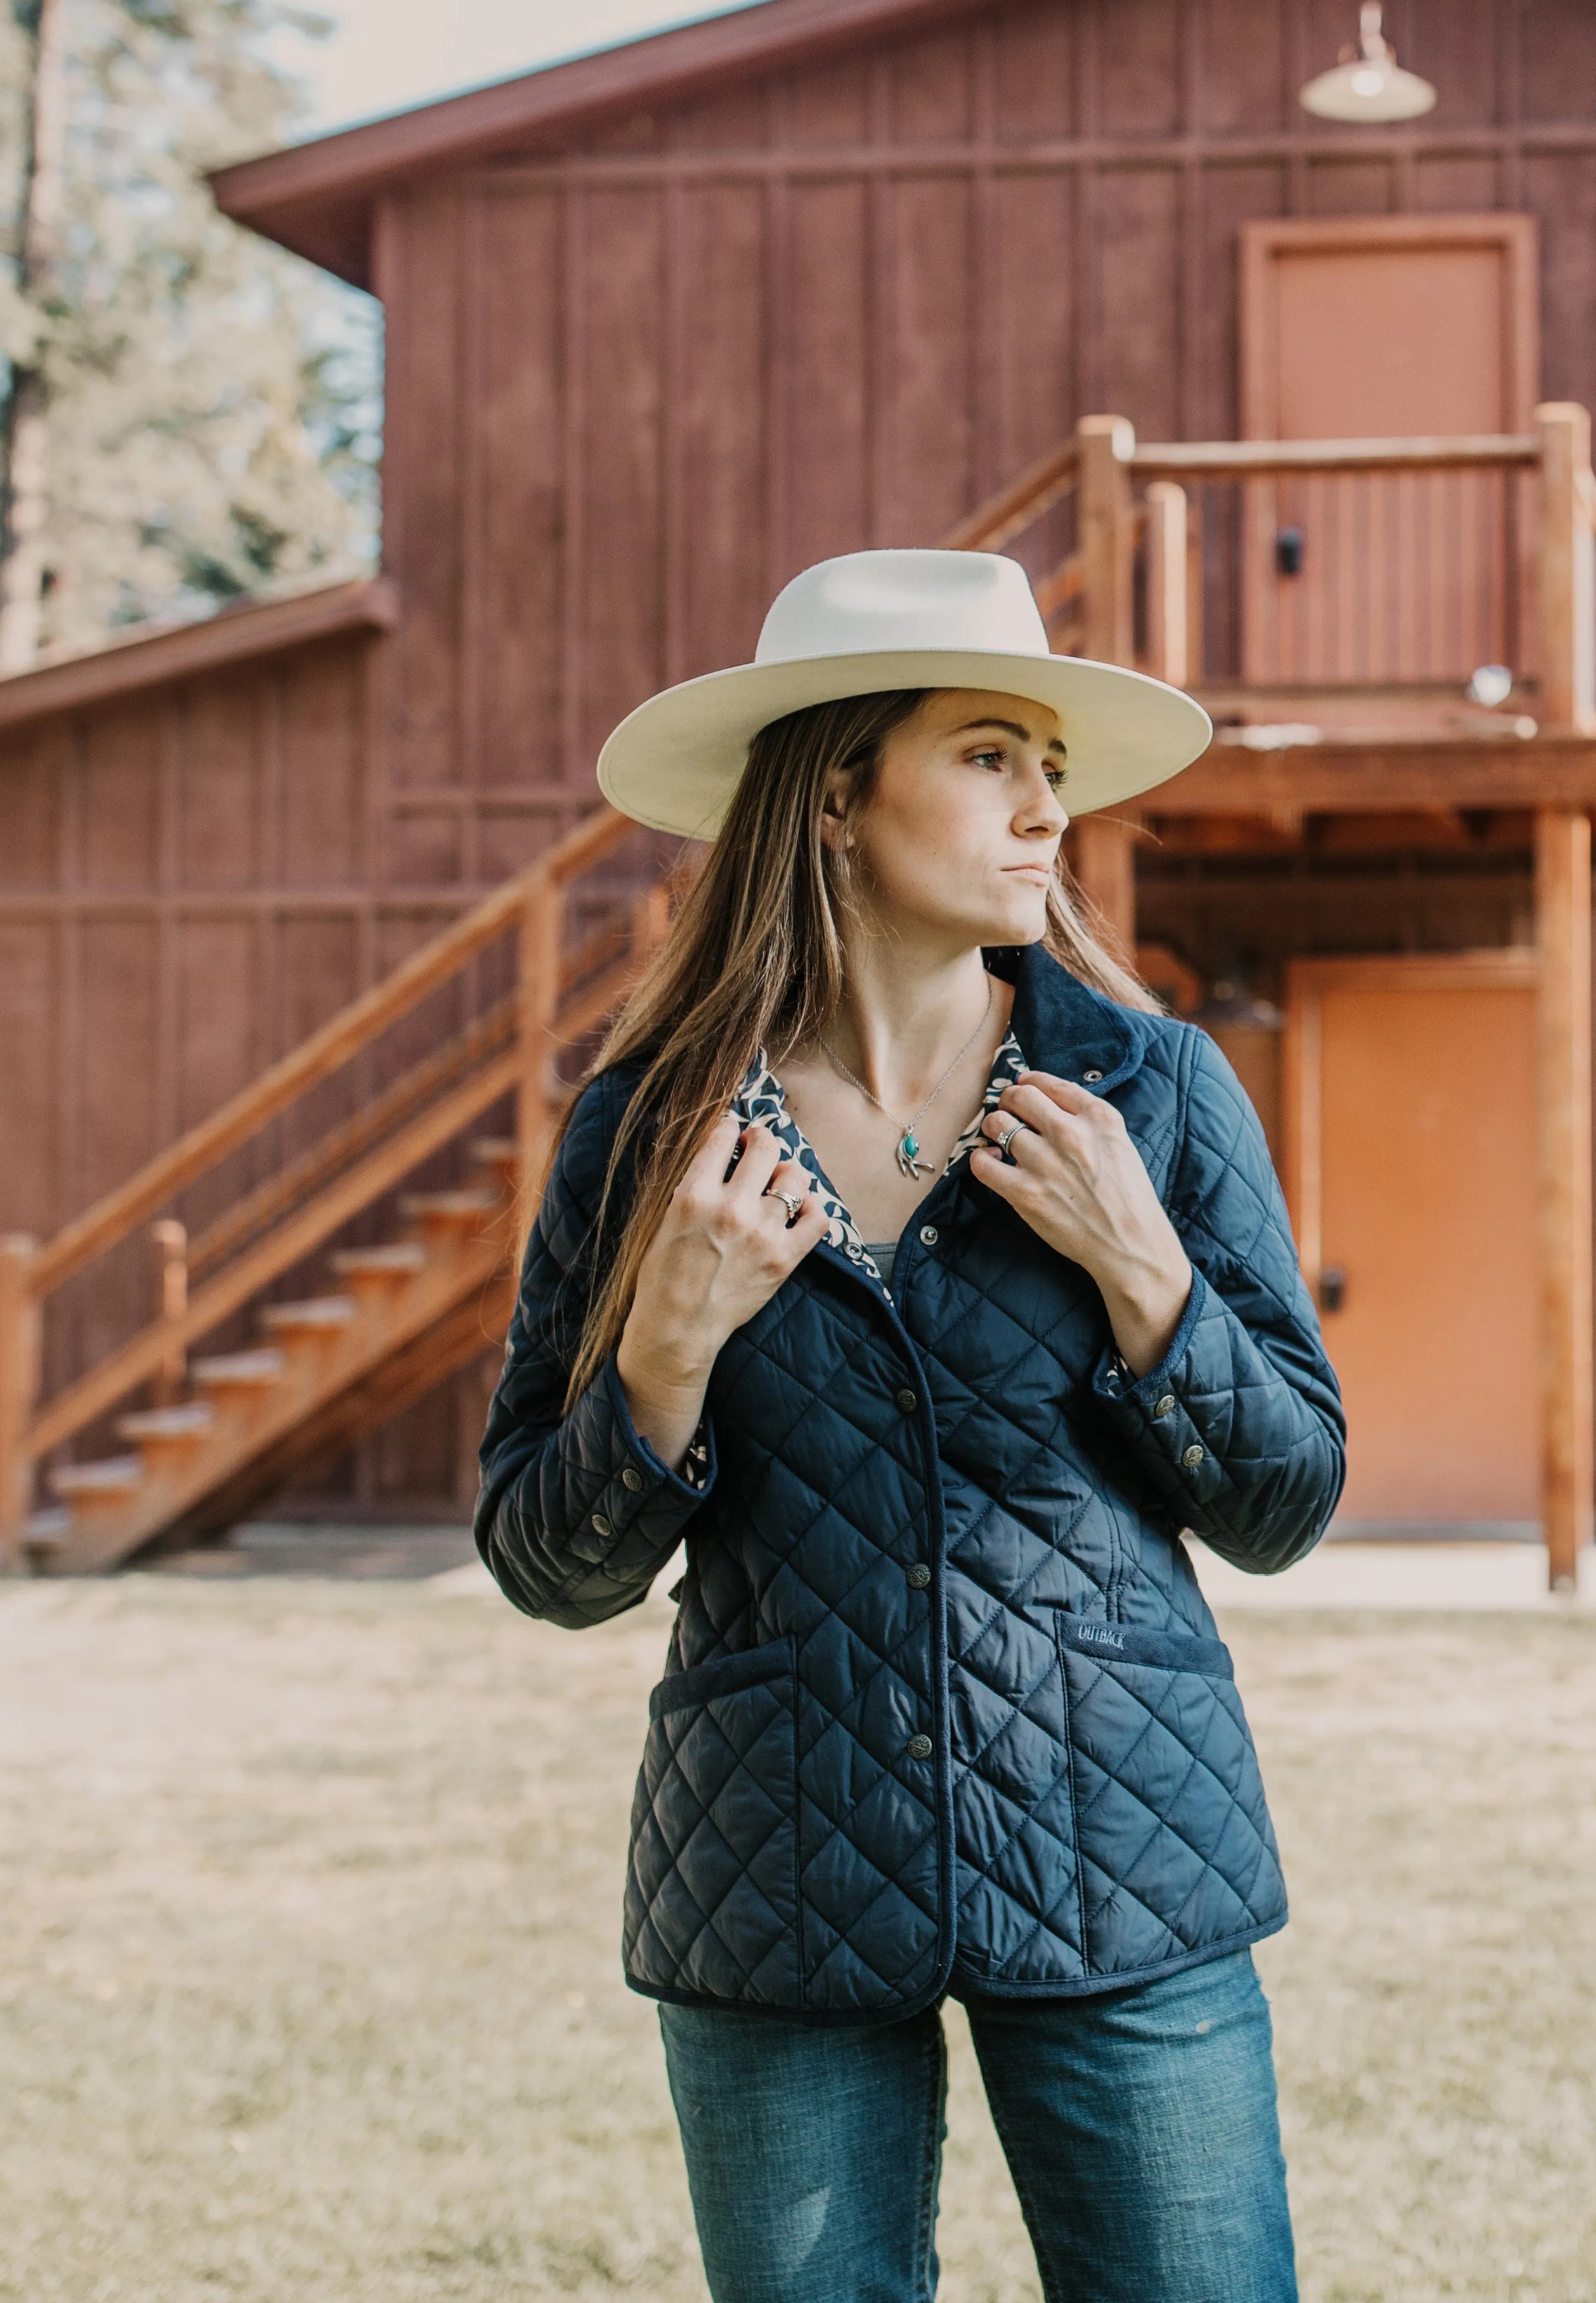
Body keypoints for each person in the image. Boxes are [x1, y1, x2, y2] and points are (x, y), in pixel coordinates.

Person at [475, 548, 1345, 2303]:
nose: (1045, 808)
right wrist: (665, 1346)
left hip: (1126, 1855)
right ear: (835, 802)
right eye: (985, 756)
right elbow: (544, 1564)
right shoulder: (646, 1136)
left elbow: (1283, 1500)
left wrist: (1145, 1274)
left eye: (1050, 763)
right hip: (773, 1876)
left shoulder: (1151, 1092)